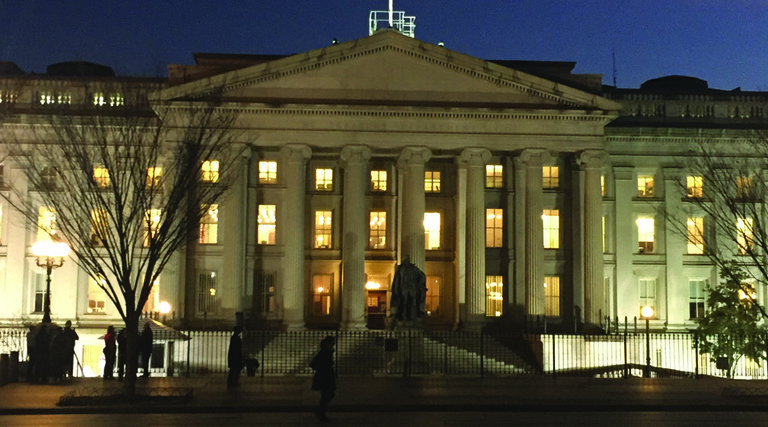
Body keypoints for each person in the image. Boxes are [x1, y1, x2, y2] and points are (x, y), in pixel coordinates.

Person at [310, 335, 337, 423]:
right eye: (333, 341)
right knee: (326, 395)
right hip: (325, 377)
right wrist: (322, 370)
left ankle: (321, 412)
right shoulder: (325, 352)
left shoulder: (328, 351)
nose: (335, 342)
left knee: (328, 395)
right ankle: (322, 414)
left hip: (327, 376)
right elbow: (313, 364)